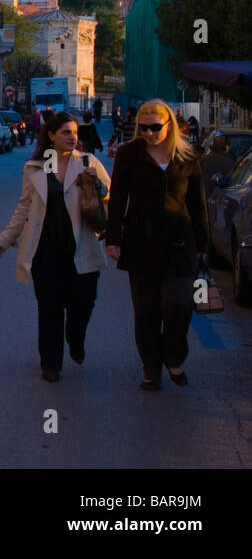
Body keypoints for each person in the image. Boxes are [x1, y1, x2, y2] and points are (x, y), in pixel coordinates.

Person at [0, 112, 111, 382]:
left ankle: (75, 338)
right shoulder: (36, 167)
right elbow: (24, 207)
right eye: (66, 132)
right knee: (49, 307)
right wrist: (5, 238)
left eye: (74, 133)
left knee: (83, 305)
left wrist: (97, 184)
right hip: (46, 250)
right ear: (52, 136)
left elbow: (109, 193)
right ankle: (50, 364)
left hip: (81, 247)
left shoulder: (87, 162)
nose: (72, 137)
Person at [105, 99, 210, 391]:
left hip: (179, 242)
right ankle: (151, 369)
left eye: (155, 127)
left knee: (178, 305)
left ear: (169, 126)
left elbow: (198, 204)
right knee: (146, 310)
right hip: (141, 242)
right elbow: (117, 200)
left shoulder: (188, 156)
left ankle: (174, 357)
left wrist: (204, 243)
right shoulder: (129, 154)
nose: (149, 133)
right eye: (144, 127)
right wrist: (113, 239)